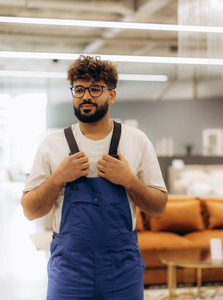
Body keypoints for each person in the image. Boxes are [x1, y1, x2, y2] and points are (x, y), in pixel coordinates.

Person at [21, 55, 168, 300]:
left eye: (95, 89)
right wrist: (58, 178)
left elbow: (159, 207)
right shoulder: (51, 145)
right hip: (69, 271)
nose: (86, 96)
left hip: (123, 270)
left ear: (111, 94)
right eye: (79, 89)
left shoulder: (137, 141)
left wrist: (129, 180)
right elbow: (30, 211)